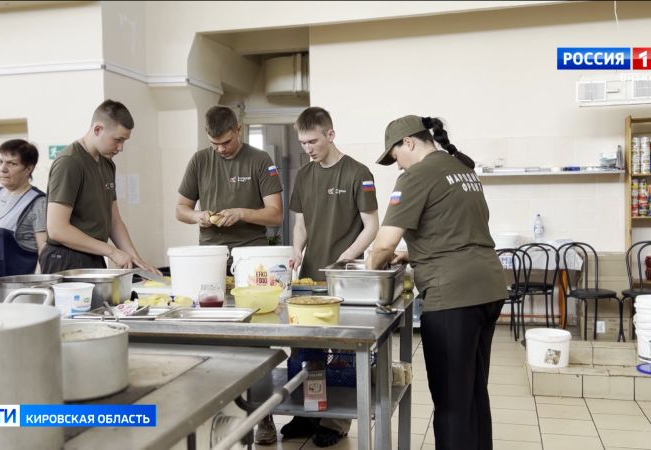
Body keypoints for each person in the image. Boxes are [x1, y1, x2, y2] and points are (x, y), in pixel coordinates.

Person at [366, 115, 507, 450]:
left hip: (452, 296)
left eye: (395, 156)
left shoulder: (416, 176)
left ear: (409, 143)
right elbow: (457, 232)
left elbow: (383, 244)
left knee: (450, 403)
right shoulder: (462, 169)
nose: (397, 166)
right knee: (473, 393)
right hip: (488, 287)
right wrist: (411, 255)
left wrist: (370, 269)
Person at [262, 106, 379, 447]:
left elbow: (371, 225)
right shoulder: (305, 175)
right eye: (303, 143)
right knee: (306, 349)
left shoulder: (359, 173)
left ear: (331, 134)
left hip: (344, 280)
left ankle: (336, 421)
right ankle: (309, 410)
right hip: (310, 280)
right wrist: (297, 250)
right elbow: (301, 224)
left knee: (339, 352)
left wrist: (347, 256)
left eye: (313, 141)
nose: (308, 148)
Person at [41, 99, 159, 274]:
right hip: (65, 259)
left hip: (93, 256)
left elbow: (114, 220)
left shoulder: (107, 164)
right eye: (117, 140)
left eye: (124, 141)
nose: (120, 148)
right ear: (97, 129)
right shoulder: (69, 163)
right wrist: (111, 251)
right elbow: (57, 229)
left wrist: (135, 259)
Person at [176, 105, 283, 252]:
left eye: (226, 142)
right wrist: (197, 216)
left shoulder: (261, 159)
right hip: (210, 253)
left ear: (238, 129)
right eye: (214, 143)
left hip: (251, 252)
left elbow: (276, 215)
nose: (220, 149)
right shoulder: (199, 160)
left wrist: (240, 213)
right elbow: (180, 209)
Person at [0, 139, 47, 303]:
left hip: (21, 294)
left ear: (28, 168)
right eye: (0, 161)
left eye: (12, 163)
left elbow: (45, 252)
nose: (3, 169)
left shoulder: (38, 203)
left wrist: (40, 291)